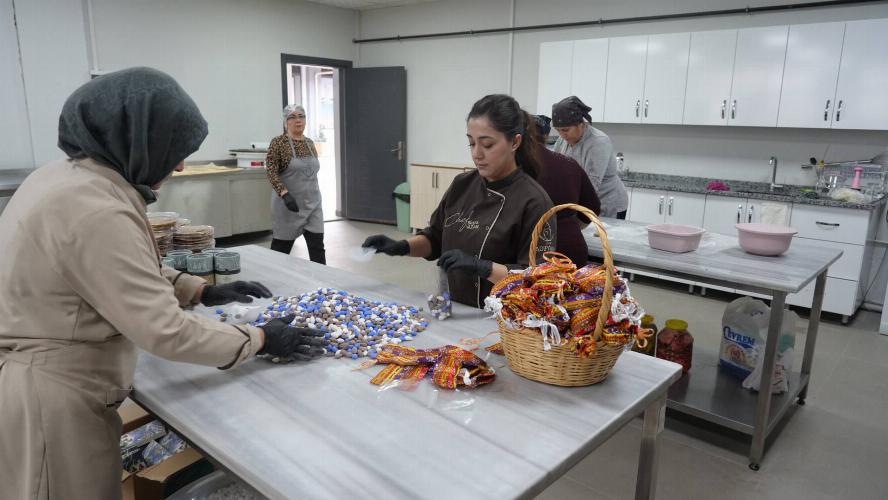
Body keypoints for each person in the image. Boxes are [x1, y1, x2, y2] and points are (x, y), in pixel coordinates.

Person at [0, 67, 326, 500]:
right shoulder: (96, 208)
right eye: (173, 150)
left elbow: (116, 268)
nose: (179, 165)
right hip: (55, 404)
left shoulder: (68, 180)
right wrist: (261, 337)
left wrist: (198, 289)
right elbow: (164, 330)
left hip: (48, 387)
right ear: (138, 140)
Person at [362, 94, 556, 307]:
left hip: (502, 320)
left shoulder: (534, 201)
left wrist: (483, 267)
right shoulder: (462, 184)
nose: (476, 154)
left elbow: (535, 278)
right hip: (455, 306)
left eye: (487, 145)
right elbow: (435, 239)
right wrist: (401, 246)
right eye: (471, 143)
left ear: (515, 142)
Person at [532, 115, 600, 266]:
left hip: (532, 251)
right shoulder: (569, 164)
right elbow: (592, 206)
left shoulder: (512, 166)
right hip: (570, 249)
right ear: (545, 136)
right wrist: (568, 225)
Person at [265, 104, 326, 264]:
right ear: (286, 121)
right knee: (280, 252)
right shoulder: (278, 143)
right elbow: (271, 171)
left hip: (313, 205)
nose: (298, 120)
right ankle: (273, 283)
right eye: (292, 117)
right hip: (288, 207)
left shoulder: (310, 143)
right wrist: (284, 194)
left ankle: (324, 286)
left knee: (318, 249)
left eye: (301, 116)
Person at [552, 96, 629, 219]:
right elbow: (554, 166)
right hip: (580, 202)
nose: (562, 135)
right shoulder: (563, 140)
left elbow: (591, 185)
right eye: (558, 130)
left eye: (566, 130)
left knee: (601, 236)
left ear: (581, 124)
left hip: (606, 203)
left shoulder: (598, 142)